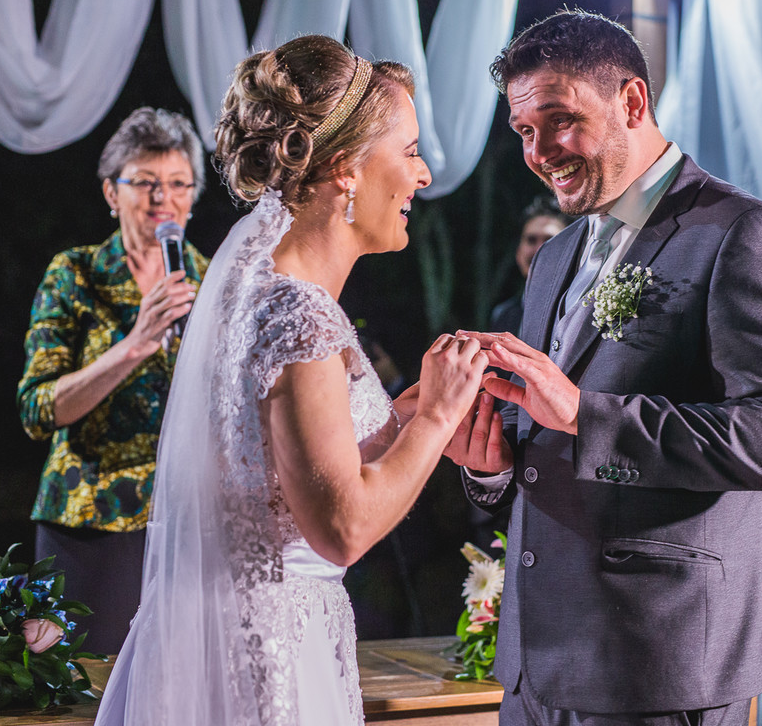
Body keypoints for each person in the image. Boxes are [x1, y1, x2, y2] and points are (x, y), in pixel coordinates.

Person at [93, 36, 488, 726]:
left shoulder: (255, 286)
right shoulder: (297, 314)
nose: (423, 175)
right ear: (345, 169)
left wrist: (397, 424)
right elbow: (342, 528)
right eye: (409, 151)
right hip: (271, 656)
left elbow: (269, 479)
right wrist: (437, 419)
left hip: (232, 631)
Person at [448, 9, 762, 725]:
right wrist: (491, 465)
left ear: (631, 100)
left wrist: (585, 415)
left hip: (659, 660)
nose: (540, 151)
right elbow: (547, 441)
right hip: (535, 665)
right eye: (524, 131)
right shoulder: (555, 257)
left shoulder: (744, 232)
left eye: (560, 120)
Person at [16, 106, 209, 654]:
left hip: (187, 522)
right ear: (111, 192)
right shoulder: (74, 274)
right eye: (144, 182)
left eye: (178, 184)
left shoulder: (212, 279)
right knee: (83, 685)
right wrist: (134, 345)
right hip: (89, 522)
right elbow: (37, 409)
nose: (161, 199)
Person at [489, 196, 571, 335]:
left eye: (550, 240)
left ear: (572, 251)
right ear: (518, 252)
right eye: (531, 240)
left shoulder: (579, 310)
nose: (539, 250)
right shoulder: (503, 315)